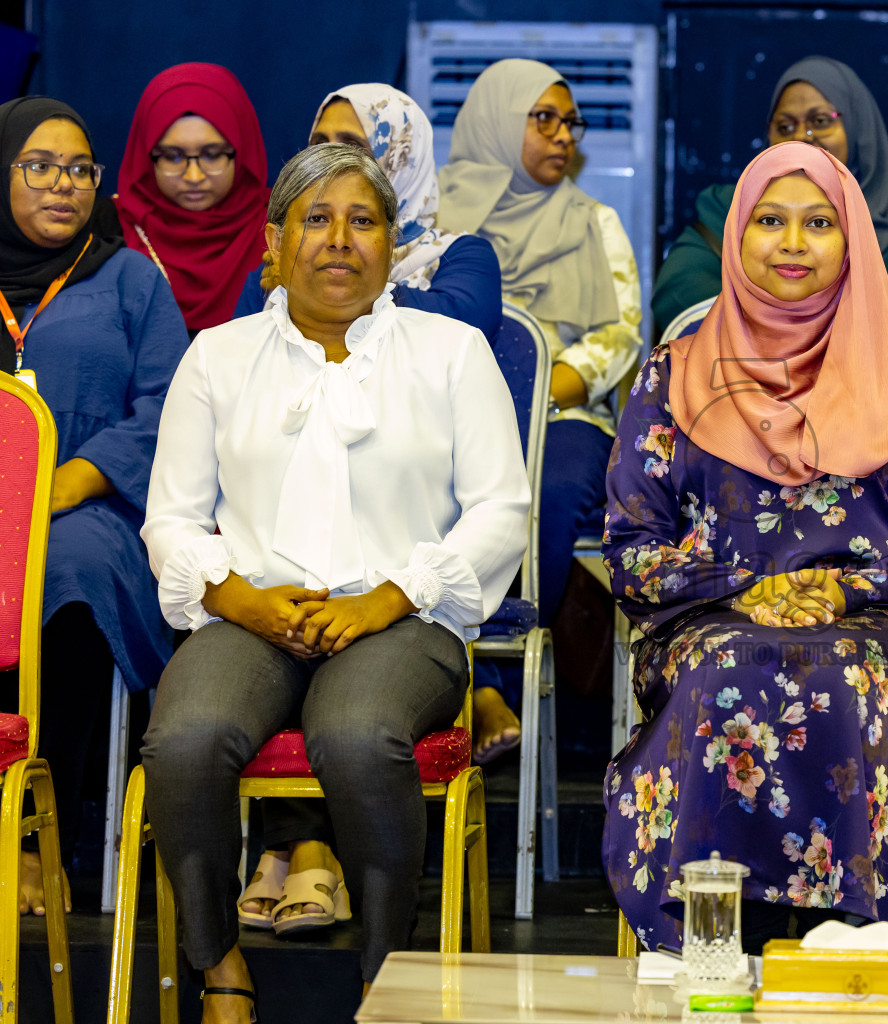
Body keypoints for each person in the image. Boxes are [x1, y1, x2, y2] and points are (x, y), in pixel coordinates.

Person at [139, 144, 530, 1019]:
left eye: (364, 220)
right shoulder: (218, 356)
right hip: (249, 613)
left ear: (394, 245)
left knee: (357, 736)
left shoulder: (455, 353)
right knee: (186, 739)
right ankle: (221, 969)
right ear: (274, 245)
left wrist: (388, 598)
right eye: (316, 219)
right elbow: (169, 519)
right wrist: (234, 596)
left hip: (403, 617)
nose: (339, 240)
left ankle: (384, 982)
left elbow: (502, 512)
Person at [602, 141, 888, 952]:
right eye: (769, 221)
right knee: (726, 667)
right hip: (711, 619)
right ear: (736, 237)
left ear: (855, 241)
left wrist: (846, 590)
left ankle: (859, 936)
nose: (791, 242)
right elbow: (632, 547)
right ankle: (700, 938)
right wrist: (743, 588)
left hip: (875, 627)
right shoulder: (671, 378)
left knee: (840, 672)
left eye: (819, 223)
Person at [230, 83, 507, 936]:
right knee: (247, 655)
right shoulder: (256, 312)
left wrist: (323, 284)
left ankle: (312, 859)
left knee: (354, 700)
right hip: (287, 570)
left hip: (409, 562)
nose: (336, 164)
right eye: (319, 145)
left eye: (358, 147)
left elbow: (426, 328)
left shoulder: (460, 265)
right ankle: (299, 857)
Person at [0, 96, 185, 915]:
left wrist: (71, 480)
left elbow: (169, 405)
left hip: (94, 511)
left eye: (80, 170)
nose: (63, 186)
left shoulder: (130, 277)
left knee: (63, 570)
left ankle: (44, 839)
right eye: (40, 166)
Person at [438, 57, 642, 766]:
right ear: (497, 121)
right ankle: (472, 679)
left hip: (561, 417)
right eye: (543, 119)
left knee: (548, 494)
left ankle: (484, 667)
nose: (563, 136)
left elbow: (620, 334)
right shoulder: (435, 218)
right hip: (450, 417)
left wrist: (542, 389)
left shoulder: (596, 221)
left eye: (570, 122)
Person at [651, 55, 888, 350]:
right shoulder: (732, 205)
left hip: (884, 376)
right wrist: (776, 326)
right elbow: (678, 286)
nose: (803, 136)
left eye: (820, 121)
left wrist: (851, 313)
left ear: (858, 125)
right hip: (752, 378)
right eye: (785, 126)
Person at [233, 83, 502, 344]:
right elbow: (237, 364)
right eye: (320, 144)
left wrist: (321, 284)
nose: (333, 158)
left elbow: (463, 335)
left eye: (352, 146)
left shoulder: (460, 255)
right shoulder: (286, 260)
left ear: (402, 157)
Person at [116, 63, 269, 333]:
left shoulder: (281, 227)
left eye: (212, 154)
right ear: (147, 157)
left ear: (241, 151)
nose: (194, 176)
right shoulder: (110, 231)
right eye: (173, 156)